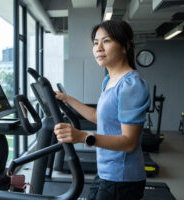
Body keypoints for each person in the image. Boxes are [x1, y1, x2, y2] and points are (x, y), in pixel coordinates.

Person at [54, 20, 150, 200]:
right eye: (95, 43)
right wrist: (67, 99)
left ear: (125, 46)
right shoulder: (109, 81)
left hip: (122, 178)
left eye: (106, 41)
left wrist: (82, 137)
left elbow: (129, 142)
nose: (98, 48)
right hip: (106, 171)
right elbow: (100, 117)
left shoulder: (131, 84)